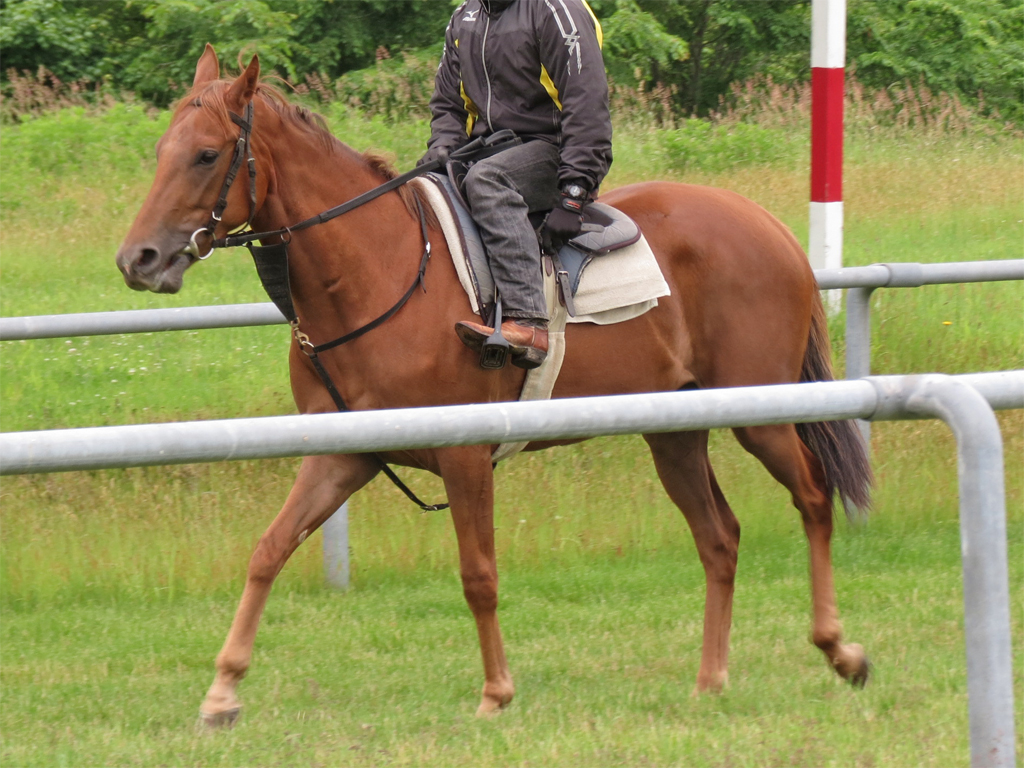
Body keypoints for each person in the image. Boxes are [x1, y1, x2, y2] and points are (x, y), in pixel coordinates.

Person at [419, 0, 612, 369]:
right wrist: (443, 145)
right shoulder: (465, 17)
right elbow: (448, 103)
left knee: (488, 180)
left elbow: (586, 102)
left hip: (555, 151)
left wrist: (575, 192)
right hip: (488, 149)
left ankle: (529, 321)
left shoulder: (557, 10)